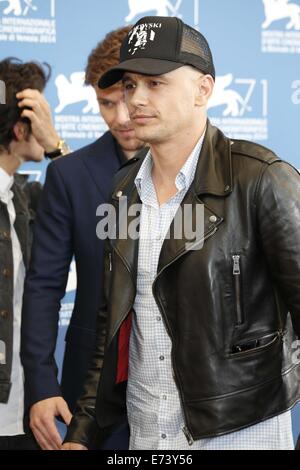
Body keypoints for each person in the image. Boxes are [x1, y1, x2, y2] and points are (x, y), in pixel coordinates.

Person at [63, 16, 300, 450]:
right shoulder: (122, 190)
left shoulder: (261, 179)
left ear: (203, 89)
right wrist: (82, 432)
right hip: (145, 434)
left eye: (155, 83)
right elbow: (112, 325)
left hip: (242, 431)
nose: (135, 99)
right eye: (130, 84)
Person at [21, 26, 144, 451]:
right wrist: (40, 384)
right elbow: (43, 286)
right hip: (88, 388)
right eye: (107, 104)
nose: (121, 118)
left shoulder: (200, 171)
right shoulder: (68, 175)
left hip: (181, 388)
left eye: (130, 100)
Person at [0, 58, 47, 450]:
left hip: (21, 406)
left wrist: (56, 147)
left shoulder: (23, 197)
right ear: (20, 129)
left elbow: (100, 215)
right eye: (42, 116)